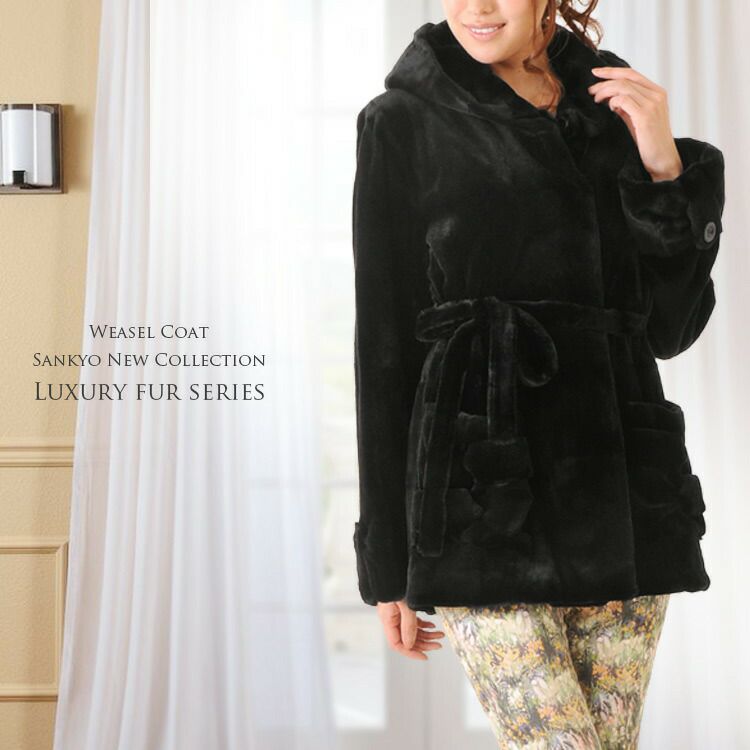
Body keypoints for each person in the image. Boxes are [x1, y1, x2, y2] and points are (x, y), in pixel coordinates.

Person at [351, 0, 724, 746]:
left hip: (622, 487)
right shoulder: (401, 121)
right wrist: (386, 564)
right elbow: (384, 348)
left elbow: (670, 328)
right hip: (484, 499)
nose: (477, 7)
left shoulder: (612, 108)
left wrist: (663, 165)